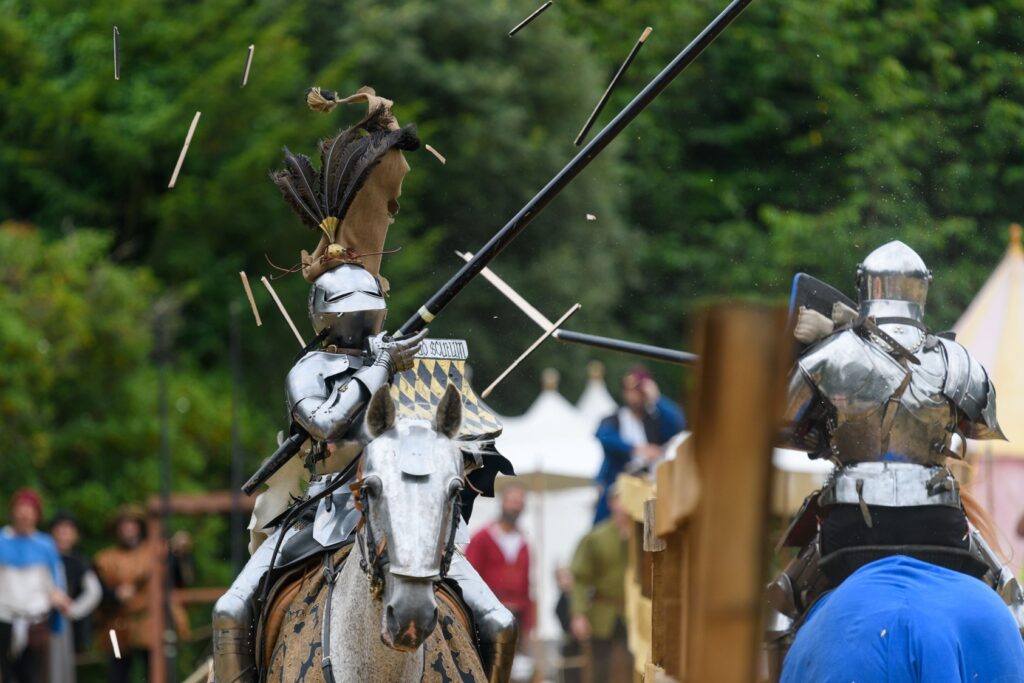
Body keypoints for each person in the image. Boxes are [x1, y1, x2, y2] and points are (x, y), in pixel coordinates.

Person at [213, 87, 517, 683]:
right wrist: (381, 368)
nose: (361, 320)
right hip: (319, 514)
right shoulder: (309, 369)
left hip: (402, 513)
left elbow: (430, 432)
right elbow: (326, 424)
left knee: (500, 622)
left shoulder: (395, 354)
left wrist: (415, 380)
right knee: (230, 611)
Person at [766, 241, 1024, 680]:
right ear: (922, 291)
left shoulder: (830, 356)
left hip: (855, 519)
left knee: (776, 611)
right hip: (938, 519)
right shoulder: (956, 361)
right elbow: (978, 427)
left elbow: (782, 427)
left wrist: (830, 420)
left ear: (864, 286)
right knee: (1014, 605)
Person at [94, 506, 188, 683]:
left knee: (155, 671)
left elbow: (177, 581)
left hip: (150, 622)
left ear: (139, 527)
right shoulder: (104, 559)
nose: (127, 529)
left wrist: (180, 556)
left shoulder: (158, 551)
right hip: (115, 626)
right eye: (123, 525)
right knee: (117, 671)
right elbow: (96, 594)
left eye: (131, 524)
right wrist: (115, 595)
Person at [593, 367, 685, 524]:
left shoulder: (656, 421)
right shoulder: (615, 419)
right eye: (629, 392)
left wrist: (656, 398)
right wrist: (637, 449)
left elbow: (678, 424)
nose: (632, 397)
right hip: (619, 492)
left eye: (637, 392)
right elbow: (604, 436)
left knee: (651, 532)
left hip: (650, 492)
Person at [0, 489, 71, 683]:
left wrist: (59, 599)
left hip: (35, 622)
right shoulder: (1, 540)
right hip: (4, 619)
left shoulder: (45, 545)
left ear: (37, 514)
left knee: (33, 676)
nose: (24, 513)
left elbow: (55, 583)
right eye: (20, 508)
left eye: (29, 509)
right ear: (12, 511)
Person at [569, 489, 632, 683]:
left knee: (635, 666)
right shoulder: (596, 537)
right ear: (612, 502)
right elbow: (580, 579)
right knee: (599, 668)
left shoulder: (644, 534)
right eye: (619, 498)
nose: (624, 504)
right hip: (602, 611)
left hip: (634, 613)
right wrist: (579, 614)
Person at [466, 485, 534, 640]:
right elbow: (469, 577)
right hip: (486, 615)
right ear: (503, 503)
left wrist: (529, 623)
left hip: (517, 617)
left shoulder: (524, 543)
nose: (516, 506)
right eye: (512, 501)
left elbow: (527, 585)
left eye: (520, 503)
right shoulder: (482, 537)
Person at [48, 513, 102, 683]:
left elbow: (94, 592)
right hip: (36, 621)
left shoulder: (79, 561)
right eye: (60, 529)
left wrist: (73, 610)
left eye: (69, 529)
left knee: (61, 671)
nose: (64, 533)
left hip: (65, 625)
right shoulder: (41, 557)